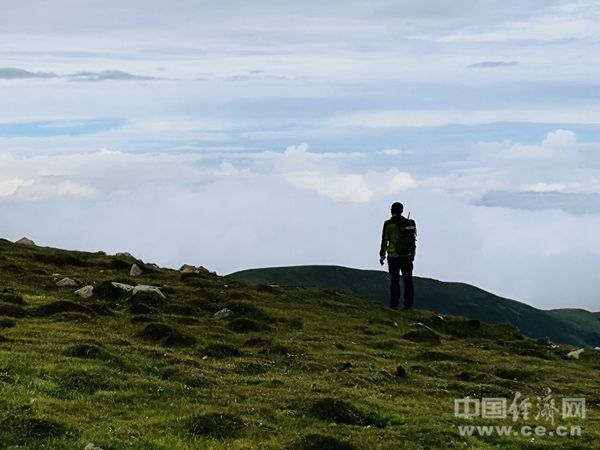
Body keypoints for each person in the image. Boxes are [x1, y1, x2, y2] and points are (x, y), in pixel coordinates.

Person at [379, 202, 416, 309]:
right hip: (407, 256)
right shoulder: (410, 222)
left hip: (393, 256)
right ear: (402, 210)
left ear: (392, 210)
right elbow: (413, 240)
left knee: (395, 280)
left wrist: (382, 255)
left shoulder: (388, 224)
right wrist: (412, 254)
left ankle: (394, 304)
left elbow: (384, 240)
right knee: (408, 281)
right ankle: (408, 305)